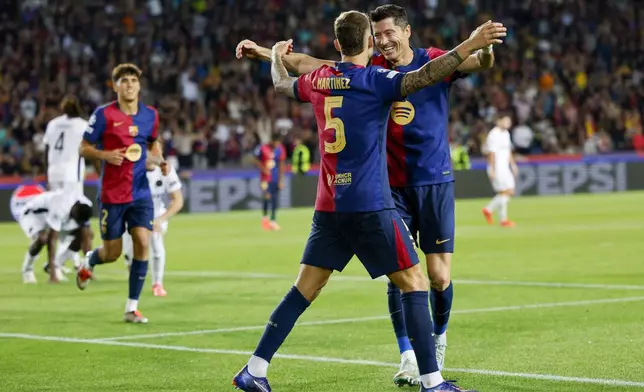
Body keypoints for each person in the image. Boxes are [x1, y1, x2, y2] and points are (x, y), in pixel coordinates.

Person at [232, 10, 504, 392]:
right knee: (414, 281)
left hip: (329, 205)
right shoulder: (375, 79)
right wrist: (472, 42)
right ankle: (432, 380)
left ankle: (254, 369)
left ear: (338, 44)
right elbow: (421, 78)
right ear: (371, 42)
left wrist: (274, 55)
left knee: (304, 288)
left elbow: (283, 83)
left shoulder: (319, 80)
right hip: (371, 203)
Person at [76, 63, 166, 324]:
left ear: (139, 85)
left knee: (143, 241)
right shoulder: (104, 115)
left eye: (133, 81)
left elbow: (153, 141)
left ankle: (131, 307)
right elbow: (83, 147)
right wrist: (104, 155)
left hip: (140, 192)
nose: (129, 85)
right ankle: (90, 260)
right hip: (112, 194)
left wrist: (159, 160)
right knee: (112, 253)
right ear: (115, 86)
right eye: (124, 81)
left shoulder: (150, 115)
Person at [43, 95, 90, 274]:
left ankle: (65, 259)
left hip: (54, 173)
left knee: (58, 216)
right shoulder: (82, 125)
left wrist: (48, 174)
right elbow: (89, 149)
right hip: (72, 176)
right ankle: (63, 260)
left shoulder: (53, 124)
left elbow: (46, 150)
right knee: (76, 218)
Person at [123, 160, 184, 296]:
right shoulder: (133, 169)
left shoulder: (166, 169)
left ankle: (158, 284)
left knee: (156, 242)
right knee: (131, 253)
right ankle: (133, 278)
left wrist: (161, 219)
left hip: (157, 214)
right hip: (135, 213)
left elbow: (178, 200)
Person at [18, 190, 93, 284]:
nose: (77, 222)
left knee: (86, 234)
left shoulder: (85, 205)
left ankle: (54, 264)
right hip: (34, 216)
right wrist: (53, 275)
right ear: (75, 210)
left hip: (56, 215)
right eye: (77, 219)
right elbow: (51, 241)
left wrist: (89, 269)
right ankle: (27, 268)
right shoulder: (60, 208)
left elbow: (86, 237)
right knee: (43, 239)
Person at [482, 115, 518, 227]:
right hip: (497, 167)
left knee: (507, 192)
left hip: (505, 167)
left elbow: (508, 151)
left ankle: (493, 213)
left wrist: (513, 165)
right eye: (505, 120)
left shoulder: (506, 133)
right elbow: (491, 153)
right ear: (499, 121)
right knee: (505, 192)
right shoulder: (494, 134)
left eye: (509, 121)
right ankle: (497, 215)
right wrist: (492, 169)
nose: (508, 123)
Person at [255, 133, 285, 231]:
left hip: (275, 178)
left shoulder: (280, 149)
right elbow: (255, 160)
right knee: (267, 197)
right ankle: (265, 219)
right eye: (276, 142)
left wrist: (281, 180)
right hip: (265, 178)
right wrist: (263, 168)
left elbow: (281, 164)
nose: (277, 144)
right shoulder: (263, 148)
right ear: (272, 141)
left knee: (275, 199)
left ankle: (273, 220)